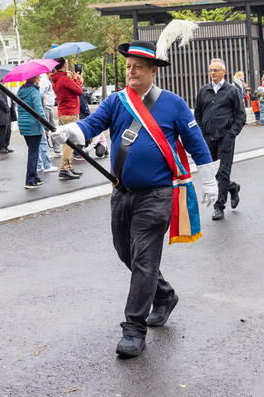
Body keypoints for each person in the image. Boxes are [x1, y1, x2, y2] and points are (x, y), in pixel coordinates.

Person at [51, 40, 216, 359]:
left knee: (143, 257)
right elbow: (91, 125)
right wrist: (71, 133)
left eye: (137, 67)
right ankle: (164, 294)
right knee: (125, 252)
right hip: (121, 192)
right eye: (128, 66)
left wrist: (209, 181)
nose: (131, 71)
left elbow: (196, 141)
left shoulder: (173, 104)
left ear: (153, 71)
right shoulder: (116, 102)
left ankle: (134, 328)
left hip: (157, 195)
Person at [194, 58, 246, 221]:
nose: (212, 73)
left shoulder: (232, 91)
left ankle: (219, 207)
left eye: (215, 70)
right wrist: (202, 132)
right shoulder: (204, 91)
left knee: (223, 171)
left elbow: (240, 115)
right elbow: (198, 113)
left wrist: (232, 133)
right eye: (210, 70)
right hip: (208, 138)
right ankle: (232, 187)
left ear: (224, 72)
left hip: (225, 138)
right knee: (214, 172)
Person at [50, 59, 84, 181]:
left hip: (63, 112)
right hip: (70, 112)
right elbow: (79, 91)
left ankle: (68, 167)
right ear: (64, 65)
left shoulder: (55, 79)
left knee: (67, 141)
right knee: (71, 141)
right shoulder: (64, 79)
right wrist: (77, 80)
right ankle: (65, 168)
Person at [17, 75, 47, 189]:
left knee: (33, 151)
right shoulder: (34, 92)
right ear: (34, 79)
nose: (39, 80)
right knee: (33, 153)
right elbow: (39, 111)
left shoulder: (21, 91)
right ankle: (30, 180)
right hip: (34, 126)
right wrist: (47, 127)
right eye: (38, 78)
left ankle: (34, 176)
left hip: (24, 125)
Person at [0, 79, 17, 155]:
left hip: (8, 112)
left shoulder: (4, 87)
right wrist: (6, 107)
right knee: (3, 131)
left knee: (8, 130)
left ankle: (6, 146)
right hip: (2, 112)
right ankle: (1, 147)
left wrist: (11, 105)